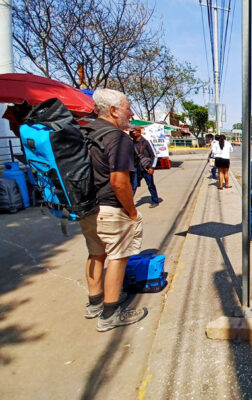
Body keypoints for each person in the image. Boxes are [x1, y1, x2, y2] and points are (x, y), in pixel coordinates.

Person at [79, 88, 147, 332]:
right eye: (128, 108)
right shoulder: (118, 138)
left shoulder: (85, 132)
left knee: (96, 254)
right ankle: (109, 313)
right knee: (118, 257)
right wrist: (132, 212)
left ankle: (94, 303)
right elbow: (119, 182)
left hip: (86, 207)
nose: (131, 113)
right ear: (114, 110)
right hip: (110, 208)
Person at [130, 126, 160, 208]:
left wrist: (152, 167)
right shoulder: (131, 143)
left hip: (146, 167)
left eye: (133, 131)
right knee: (133, 186)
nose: (132, 133)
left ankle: (155, 200)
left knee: (150, 185)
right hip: (136, 168)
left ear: (139, 132)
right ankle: (129, 204)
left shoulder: (146, 142)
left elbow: (154, 155)